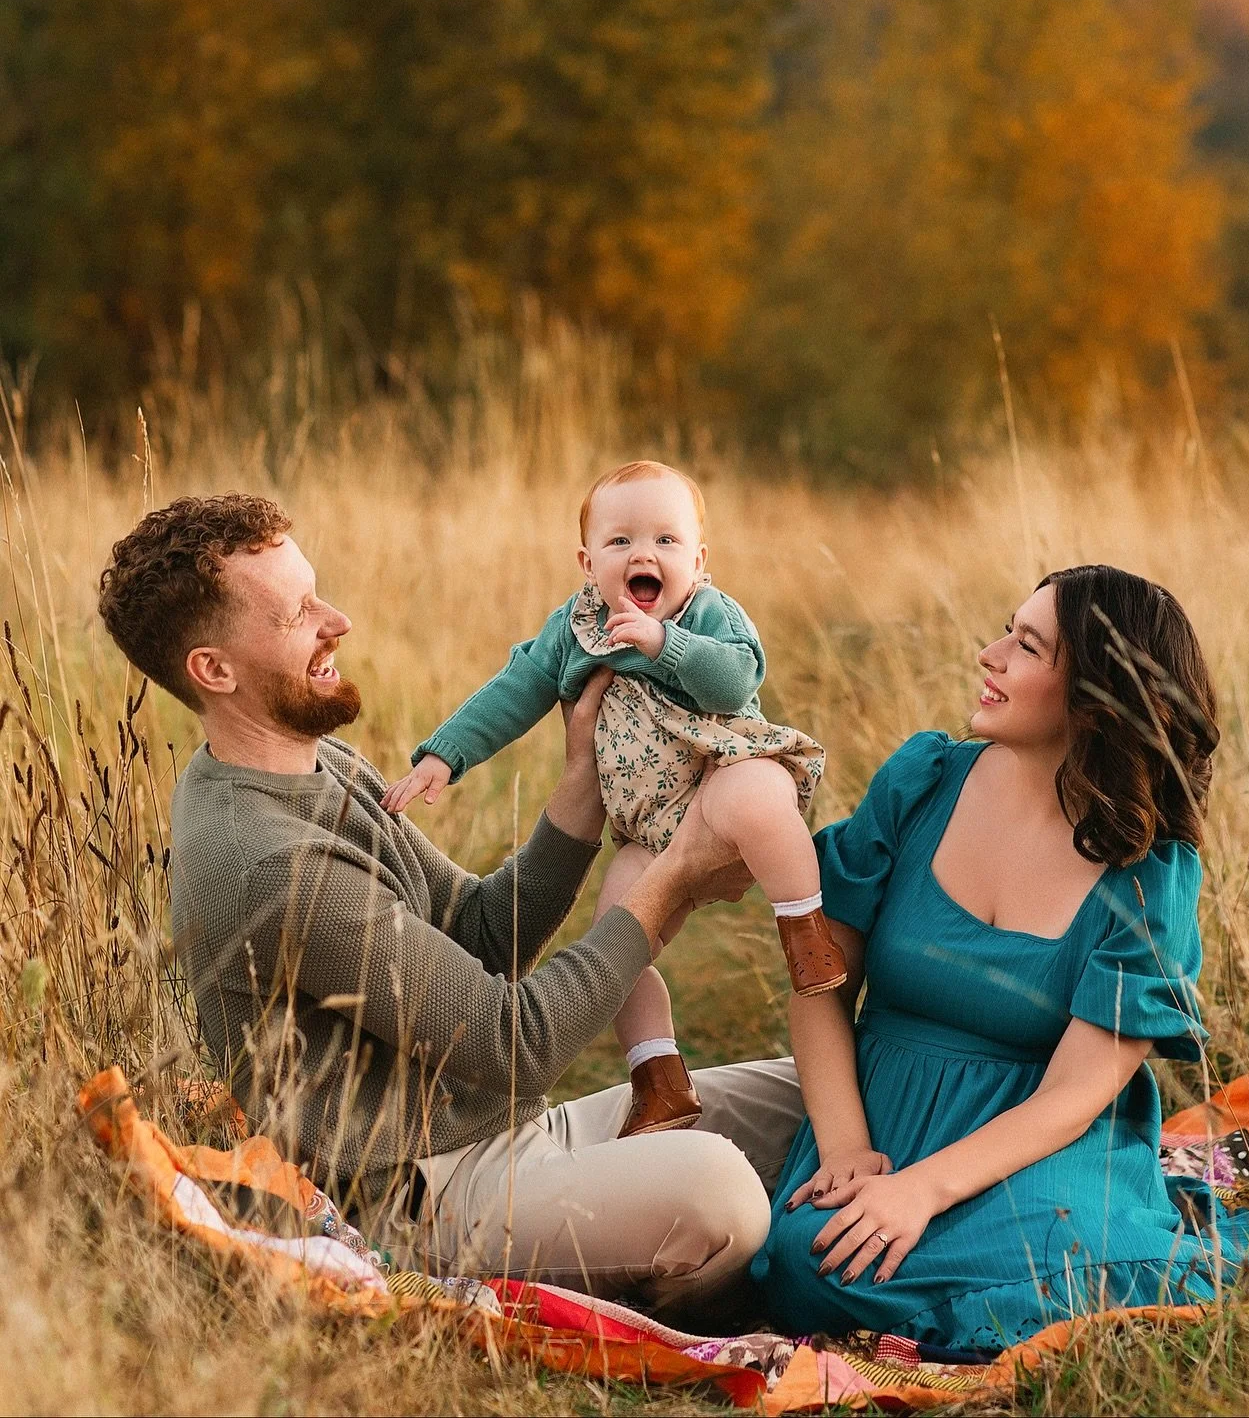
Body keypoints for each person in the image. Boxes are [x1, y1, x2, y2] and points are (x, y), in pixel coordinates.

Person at [97, 493, 805, 1314]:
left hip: (510, 1135)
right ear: (214, 671)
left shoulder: (319, 763)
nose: (338, 621)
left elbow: (476, 934)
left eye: (318, 594)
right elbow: (515, 1044)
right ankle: (698, 1301)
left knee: (806, 1095)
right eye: (298, 614)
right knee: (719, 1191)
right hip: (426, 1198)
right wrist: (671, 880)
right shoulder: (268, 863)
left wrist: (581, 783)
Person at [753, 564, 1249, 1352]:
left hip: (1040, 1141)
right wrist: (845, 1149)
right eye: (1007, 630)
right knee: (815, 1257)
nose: (990, 653)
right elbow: (821, 984)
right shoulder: (922, 782)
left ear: (1095, 699)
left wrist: (924, 1191)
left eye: (1028, 646)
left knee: (1067, 1259)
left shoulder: (1148, 873)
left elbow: (1074, 1094)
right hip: (883, 1112)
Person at [380, 460, 846, 1139]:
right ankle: (659, 1079)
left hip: (726, 766)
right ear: (588, 562)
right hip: (647, 831)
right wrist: (444, 754)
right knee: (615, 946)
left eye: (666, 540)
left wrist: (665, 645)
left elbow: (735, 679)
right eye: (621, 540)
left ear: (698, 560)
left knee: (755, 800)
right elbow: (515, 689)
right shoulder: (574, 628)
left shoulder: (707, 612)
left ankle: (805, 931)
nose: (643, 554)